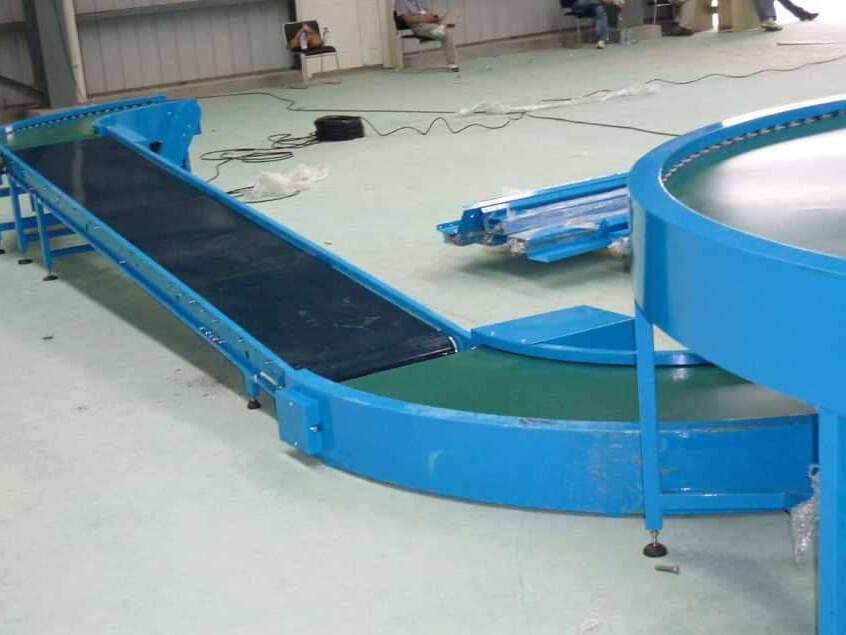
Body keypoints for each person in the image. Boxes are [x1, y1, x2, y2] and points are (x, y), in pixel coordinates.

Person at [394, 0, 459, 72]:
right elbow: (408, 19)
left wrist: (434, 17)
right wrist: (424, 19)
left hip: (431, 23)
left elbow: (427, 12)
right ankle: (452, 63)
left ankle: (441, 27)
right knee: (447, 33)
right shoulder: (400, 1)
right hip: (419, 26)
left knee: (453, 12)